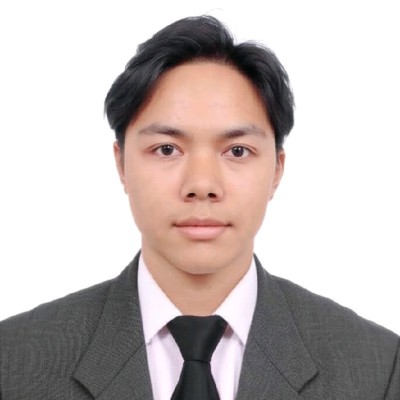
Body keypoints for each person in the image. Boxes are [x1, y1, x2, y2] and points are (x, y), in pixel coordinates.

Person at [0, 15, 398, 400]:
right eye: (167, 149)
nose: (202, 185)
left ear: (277, 170)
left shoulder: (378, 369)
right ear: (121, 164)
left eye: (237, 151)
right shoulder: (13, 361)